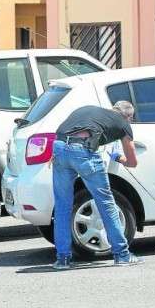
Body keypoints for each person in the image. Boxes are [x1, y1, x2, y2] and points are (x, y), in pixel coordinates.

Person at [51, 101, 142, 270]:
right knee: (106, 203)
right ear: (128, 116)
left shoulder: (87, 108)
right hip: (83, 150)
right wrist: (117, 157)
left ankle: (62, 259)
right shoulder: (123, 123)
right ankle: (122, 255)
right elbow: (132, 162)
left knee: (62, 206)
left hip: (59, 147)